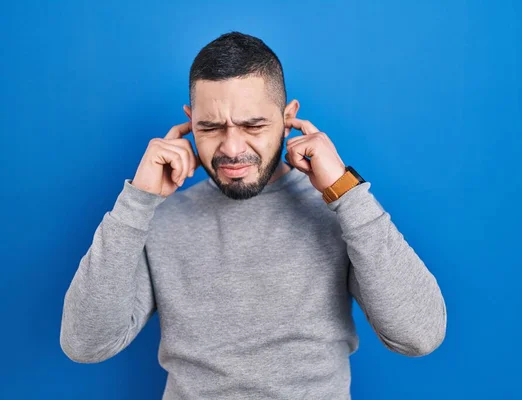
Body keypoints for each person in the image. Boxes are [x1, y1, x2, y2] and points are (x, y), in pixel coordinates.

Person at [60, 31, 447, 400]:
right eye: (209, 127)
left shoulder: (339, 213)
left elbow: (418, 335)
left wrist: (346, 192)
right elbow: (85, 345)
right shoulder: (156, 219)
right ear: (189, 120)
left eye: (253, 125)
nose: (231, 148)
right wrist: (137, 202)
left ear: (288, 117)